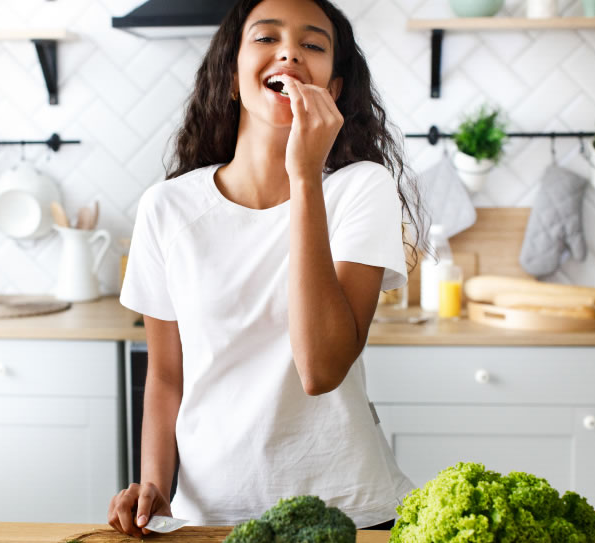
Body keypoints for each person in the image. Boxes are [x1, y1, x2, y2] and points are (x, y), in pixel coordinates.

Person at [109, 0, 423, 535]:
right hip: (208, 516)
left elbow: (321, 369)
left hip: (350, 512)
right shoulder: (167, 208)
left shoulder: (361, 189)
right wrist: (154, 487)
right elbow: (165, 377)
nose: (289, 52)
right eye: (266, 38)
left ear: (336, 89)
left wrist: (304, 177)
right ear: (231, 78)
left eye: (313, 44)